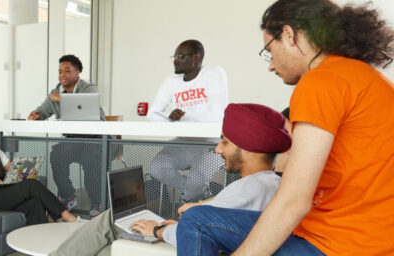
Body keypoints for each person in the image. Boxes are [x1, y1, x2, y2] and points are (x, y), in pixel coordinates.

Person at [177, 1, 394, 255]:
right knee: (199, 217)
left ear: (289, 35)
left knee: (196, 223)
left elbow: (293, 202)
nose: (270, 64)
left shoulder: (320, 81)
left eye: (269, 50)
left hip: (341, 244)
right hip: (373, 237)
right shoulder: (368, 77)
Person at [51, 103, 290, 256]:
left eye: (225, 142)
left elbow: (200, 235)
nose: (218, 150)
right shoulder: (268, 183)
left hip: (183, 246)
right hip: (185, 236)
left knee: (111, 220)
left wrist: (158, 231)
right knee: (107, 248)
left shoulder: (250, 189)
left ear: (250, 147)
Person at [147, 40, 229, 201]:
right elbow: (153, 113)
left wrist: (183, 118)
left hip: (212, 144)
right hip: (183, 142)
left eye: (180, 56)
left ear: (196, 57)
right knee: (157, 167)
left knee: (197, 180)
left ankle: (191, 200)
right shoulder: (171, 81)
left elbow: (218, 115)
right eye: (174, 56)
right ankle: (201, 194)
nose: (175, 60)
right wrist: (170, 120)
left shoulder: (214, 74)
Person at [28, 54, 107, 215]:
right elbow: (44, 110)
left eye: (66, 71)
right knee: (57, 155)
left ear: (77, 73)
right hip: (73, 140)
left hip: (95, 138)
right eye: (60, 71)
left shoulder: (89, 88)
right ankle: (68, 196)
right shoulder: (55, 91)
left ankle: (97, 203)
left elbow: (84, 109)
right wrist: (37, 115)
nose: (62, 75)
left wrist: (62, 99)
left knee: (90, 161)